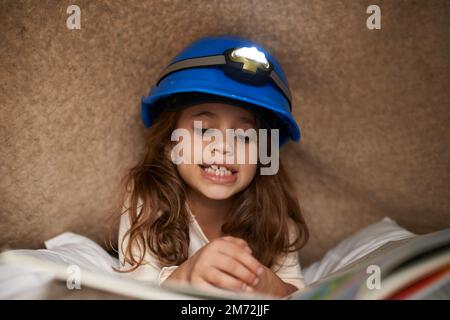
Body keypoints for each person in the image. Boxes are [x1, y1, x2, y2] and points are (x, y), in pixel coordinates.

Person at [116, 35, 309, 298]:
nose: (223, 147)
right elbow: (135, 290)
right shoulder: (147, 197)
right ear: (169, 144)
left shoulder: (274, 214)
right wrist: (188, 274)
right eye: (204, 130)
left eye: (244, 136)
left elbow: (298, 288)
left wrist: (268, 285)